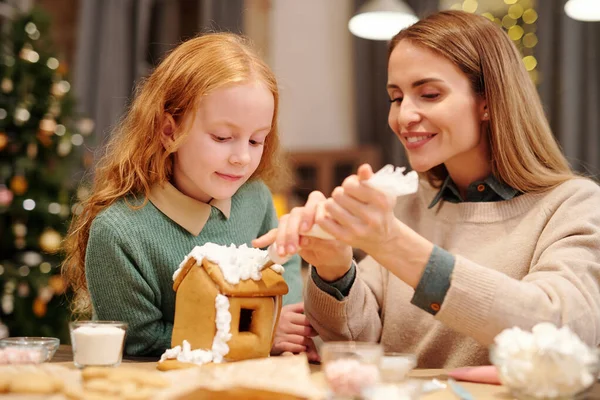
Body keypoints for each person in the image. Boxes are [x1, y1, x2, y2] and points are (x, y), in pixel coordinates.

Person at [254, 10, 600, 368]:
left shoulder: (573, 206)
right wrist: (333, 266)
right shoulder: (407, 204)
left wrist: (392, 243)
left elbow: (564, 333)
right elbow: (355, 341)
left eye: (430, 94)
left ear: (487, 102)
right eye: (396, 97)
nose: (404, 117)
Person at [62, 33, 318, 358]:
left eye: (256, 141)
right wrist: (255, 332)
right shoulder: (118, 232)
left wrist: (286, 320)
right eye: (223, 137)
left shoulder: (256, 198)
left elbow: (283, 264)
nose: (242, 157)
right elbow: (136, 340)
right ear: (170, 131)